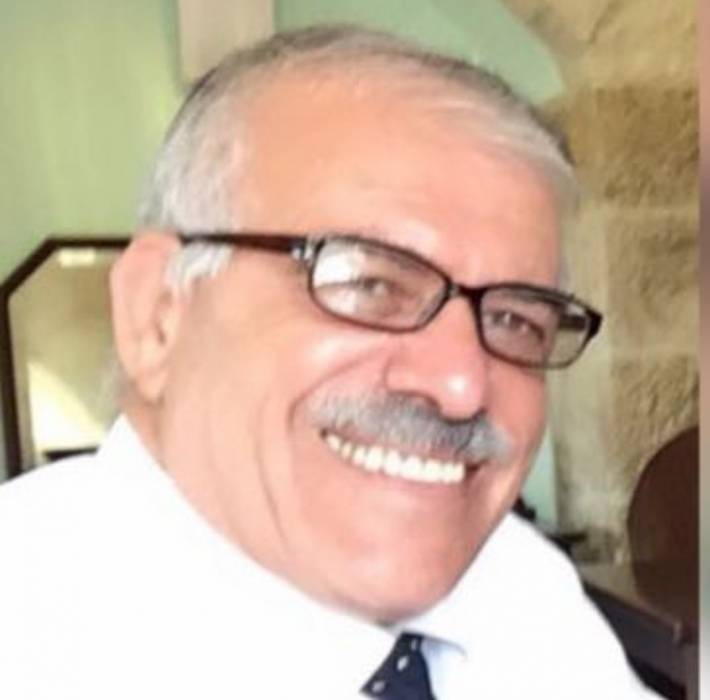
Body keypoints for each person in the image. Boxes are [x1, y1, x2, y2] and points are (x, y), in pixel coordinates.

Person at [0, 25, 658, 699]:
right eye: (369, 284)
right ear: (157, 313)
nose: (461, 384)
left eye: (516, 320)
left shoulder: (516, 588)